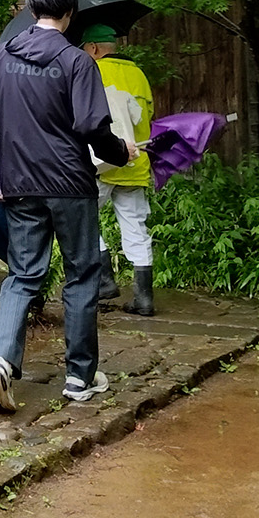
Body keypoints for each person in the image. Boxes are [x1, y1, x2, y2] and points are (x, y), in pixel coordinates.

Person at [0, 0, 132, 413]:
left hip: (19, 182)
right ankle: (79, 377)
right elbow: (91, 127)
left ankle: (2, 361)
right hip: (69, 183)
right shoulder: (76, 62)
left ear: (31, 9)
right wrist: (121, 152)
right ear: (69, 14)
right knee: (82, 273)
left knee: (23, 274)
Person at [82, 24, 157, 316]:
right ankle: (144, 298)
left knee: (84, 217)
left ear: (94, 49)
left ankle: (104, 280)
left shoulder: (93, 72)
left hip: (101, 163)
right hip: (135, 161)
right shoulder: (139, 74)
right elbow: (148, 115)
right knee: (137, 227)